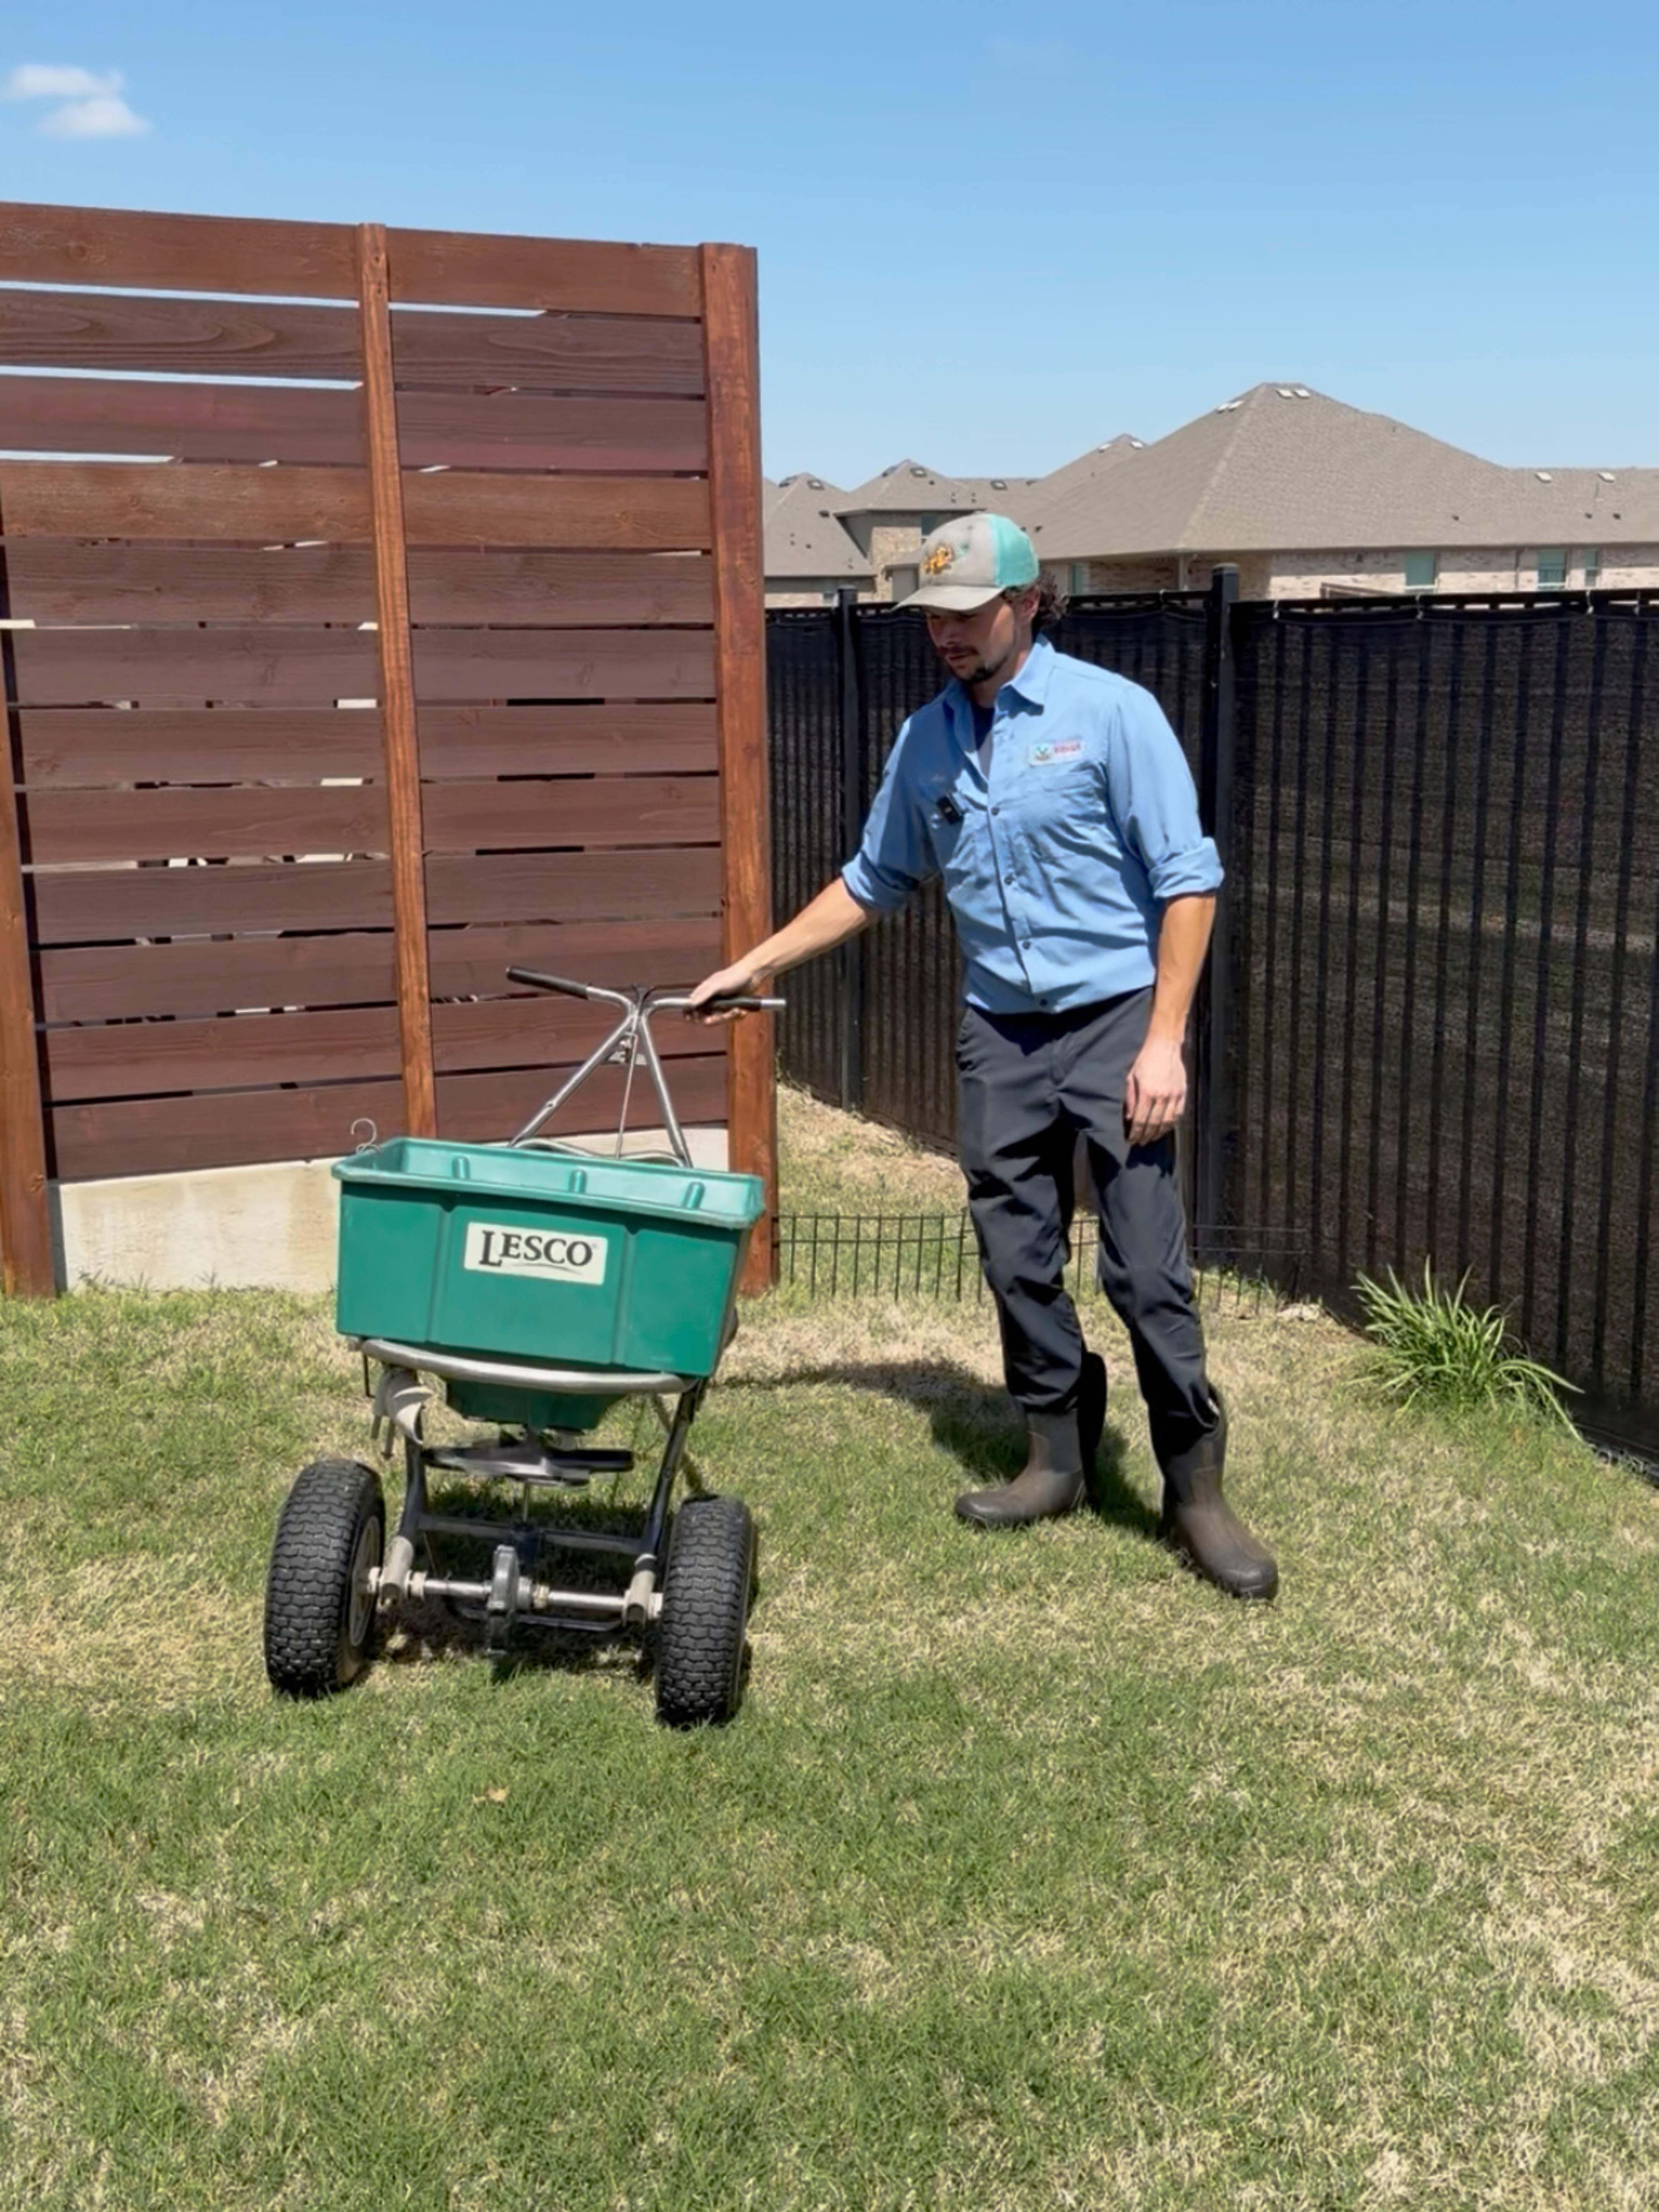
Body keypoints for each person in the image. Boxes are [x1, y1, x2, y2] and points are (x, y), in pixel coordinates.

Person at [689, 513, 1276, 1600]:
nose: (946, 637)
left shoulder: (1111, 716)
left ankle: (1193, 1488)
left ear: (1027, 604)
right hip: (999, 1031)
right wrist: (753, 965)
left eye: (965, 617)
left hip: (1113, 1023)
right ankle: (1056, 1453)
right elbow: (873, 881)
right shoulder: (925, 740)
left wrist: (1162, 1041)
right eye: (933, 621)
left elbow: (1188, 881)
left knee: (1146, 1273)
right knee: (1014, 1258)